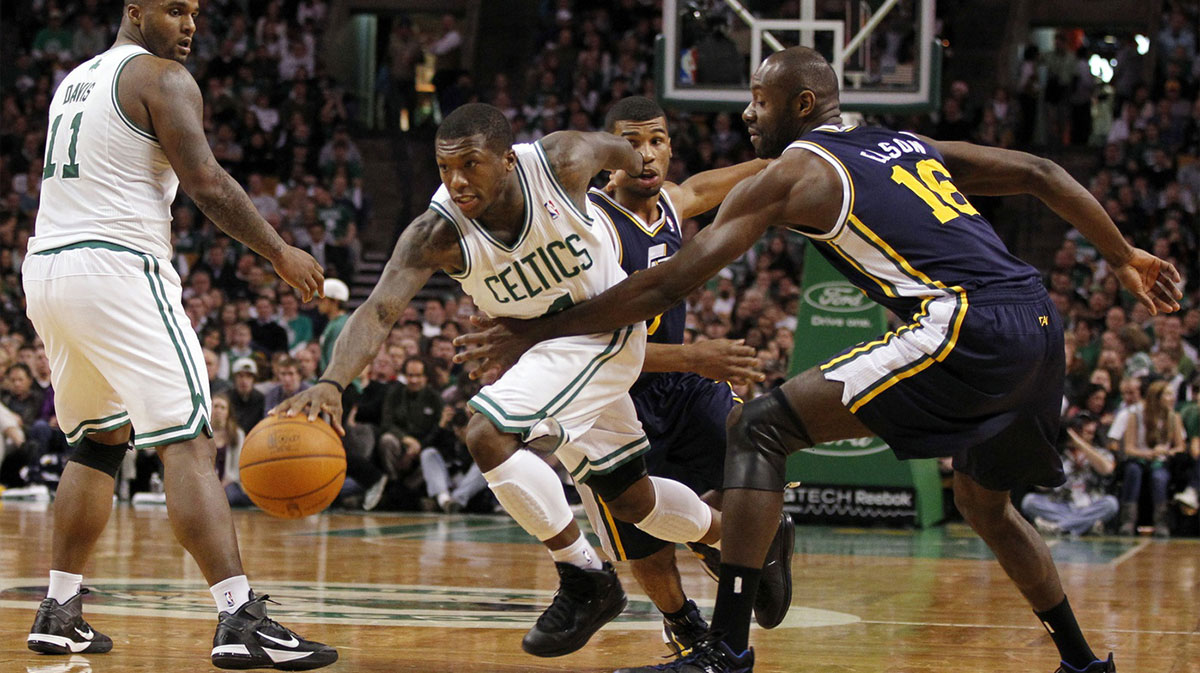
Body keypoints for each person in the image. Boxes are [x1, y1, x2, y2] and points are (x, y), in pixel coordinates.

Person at [453, 47, 1183, 673]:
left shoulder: (799, 172)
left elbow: (671, 280)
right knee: (982, 503)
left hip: (963, 322)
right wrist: (1123, 257)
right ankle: (1085, 660)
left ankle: (727, 651)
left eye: (759, 101)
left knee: (759, 429)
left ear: (800, 104)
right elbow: (1038, 171)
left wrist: (536, 335)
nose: (746, 116)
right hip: (1036, 316)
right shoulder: (899, 142)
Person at [273, 103, 789, 658]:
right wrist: (332, 382)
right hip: (552, 357)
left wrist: (632, 157)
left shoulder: (562, 161)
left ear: (509, 160)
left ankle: (584, 577)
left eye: (471, 165)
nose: (457, 181)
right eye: (445, 168)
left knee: (486, 434)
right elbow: (377, 311)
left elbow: (617, 151)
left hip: (606, 335)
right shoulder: (436, 232)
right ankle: (730, 533)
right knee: (632, 500)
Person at [21, 2, 335, 669]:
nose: (189, 25)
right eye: (173, 9)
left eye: (194, 11)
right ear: (134, 9)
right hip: (116, 265)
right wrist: (280, 252)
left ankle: (58, 606)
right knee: (188, 438)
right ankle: (238, 614)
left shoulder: (72, 80)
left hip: (48, 268)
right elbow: (207, 182)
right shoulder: (160, 78)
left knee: (98, 440)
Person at [580, 95, 792, 656]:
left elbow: (754, 172)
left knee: (751, 442)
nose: (645, 156)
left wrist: (820, 145)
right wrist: (696, 356)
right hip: (607, 398)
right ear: (606, 155)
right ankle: (682, 620)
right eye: (630, 143)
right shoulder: (591, 228)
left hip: (675, 384)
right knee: (642, 538)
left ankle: (738, 544)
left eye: (657, 140)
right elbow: (594, 348)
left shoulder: (675, 202)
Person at [1020, 414, 1119, 536]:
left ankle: (1059, 527)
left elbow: (1107, 469)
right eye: (1081, 432)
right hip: (1061, 504)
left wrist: (1080, 443)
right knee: (1029, 501)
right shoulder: (1058, 455)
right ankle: (1084, 525)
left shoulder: (1100, 452)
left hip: (1089, 504)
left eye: (1090, 433)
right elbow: (1042, 487)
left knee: (1111, 503)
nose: (1087, 435)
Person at [1117, 379, 1185, 537]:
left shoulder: (1174, 417)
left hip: (1161, 462)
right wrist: (1149, 453)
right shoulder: (1136, 416)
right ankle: (1128, 521)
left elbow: (1180, 446)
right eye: (1168, 394)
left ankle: (1161, 522)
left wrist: (1167, 451)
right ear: (1156, 397)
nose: (1172, 398)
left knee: (1159, 477)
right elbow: (1129, 448)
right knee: (1133, 471)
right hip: (1139, 460)